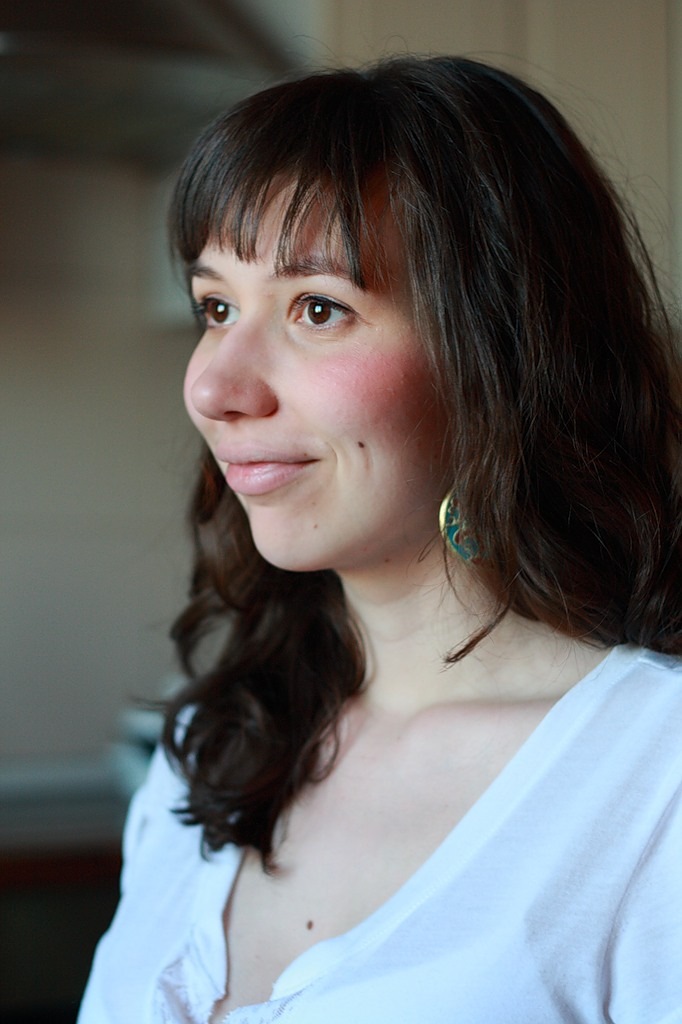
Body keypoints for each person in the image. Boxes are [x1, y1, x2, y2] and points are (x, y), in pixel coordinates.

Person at [78, 55, 682, 1023]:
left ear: (498, 354)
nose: (213, 387)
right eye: (216, 307)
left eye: (318, 308)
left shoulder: (655, 780)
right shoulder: (207, 753)